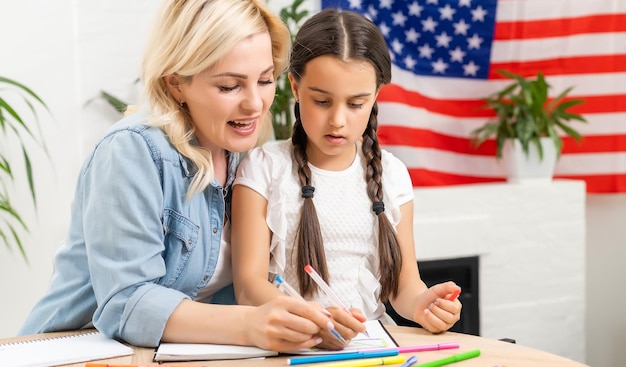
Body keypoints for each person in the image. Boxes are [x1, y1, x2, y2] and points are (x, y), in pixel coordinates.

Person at [19, 0, 336, 351]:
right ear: (176, 84)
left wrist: (309, 318)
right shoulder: (131, 151)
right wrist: (251, 324)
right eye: (230, 86)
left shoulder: (245, 155)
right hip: (72, 351)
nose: (256, 104)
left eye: (264, 80)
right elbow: (126, 304)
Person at [231, 8, 462, 349]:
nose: (337, 120)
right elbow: (248, 285)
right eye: (321, 101)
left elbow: (403, 285)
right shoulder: (263, 167)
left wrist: (424, 306)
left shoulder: (393, 174)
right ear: (295, 86)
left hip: (371, 347)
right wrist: (312, 319)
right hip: (290, 347)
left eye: (356, 103)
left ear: (376, 96)